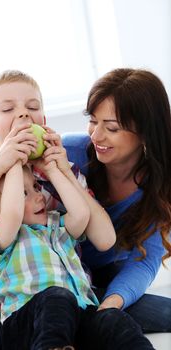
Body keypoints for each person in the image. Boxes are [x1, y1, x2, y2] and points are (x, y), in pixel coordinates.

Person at [0, 67, 167, 349]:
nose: (23, 114)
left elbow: (104, 238)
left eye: (32, 107)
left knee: (130, 320)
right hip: (18, 304)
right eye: (8, 108)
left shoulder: (58, 169)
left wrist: (60, 171)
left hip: (82, 290)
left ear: (43, 119)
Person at [0, 142, 154, 350]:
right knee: (57, 295)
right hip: (26, 321)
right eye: (23, 193)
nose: (38, 196)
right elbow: (13, 213)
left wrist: (53, 170)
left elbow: (81, 215)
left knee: (113, 319)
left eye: (35, 187)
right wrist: (13, 163)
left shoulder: (55, 225)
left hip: (77, 314)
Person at [61, 68, 171, 332]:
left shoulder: (161, 185)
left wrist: (111, 304)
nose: (96, 136)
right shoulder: (69, 153)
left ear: (145, 133)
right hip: (53, 279)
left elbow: (144, 260)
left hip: (102, 280)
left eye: (111, 127)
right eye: (93, 121)